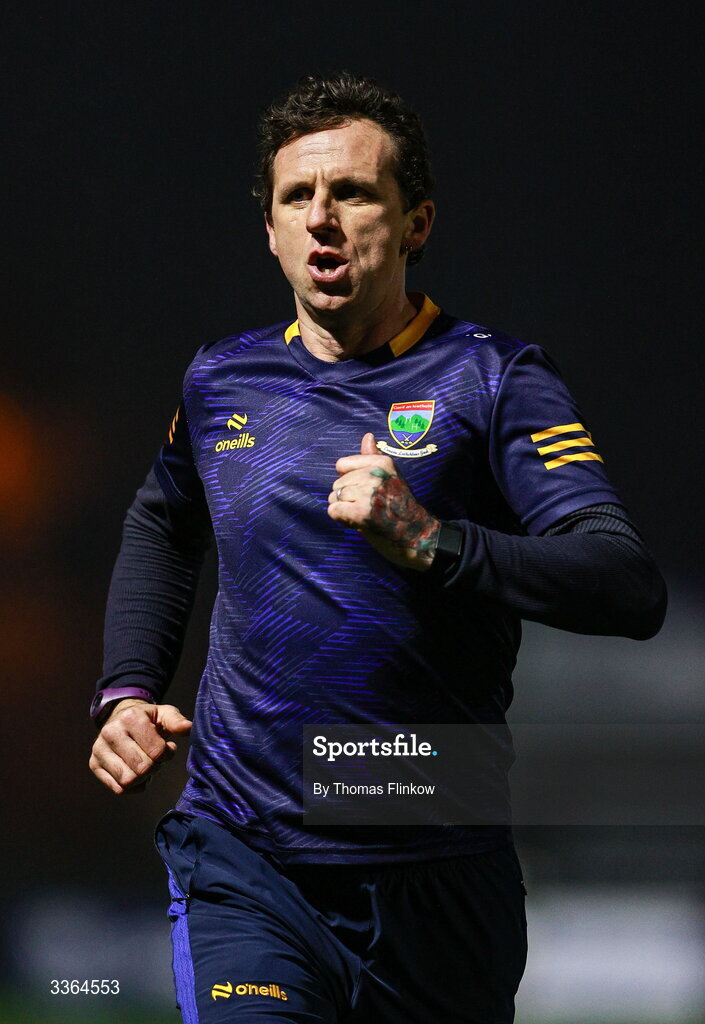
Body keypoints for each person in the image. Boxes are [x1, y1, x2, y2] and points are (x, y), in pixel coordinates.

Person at [89, 71, 667, 1023]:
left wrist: (435, 542)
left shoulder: (493, 380)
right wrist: (127, 688)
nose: (321, 218)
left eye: (352, 192)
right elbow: (162, 520)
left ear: (416, 223)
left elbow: (624, 583)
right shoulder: (222, 380)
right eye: (294, 198)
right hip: (247, 852)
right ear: (268, 231)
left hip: (436, 873)